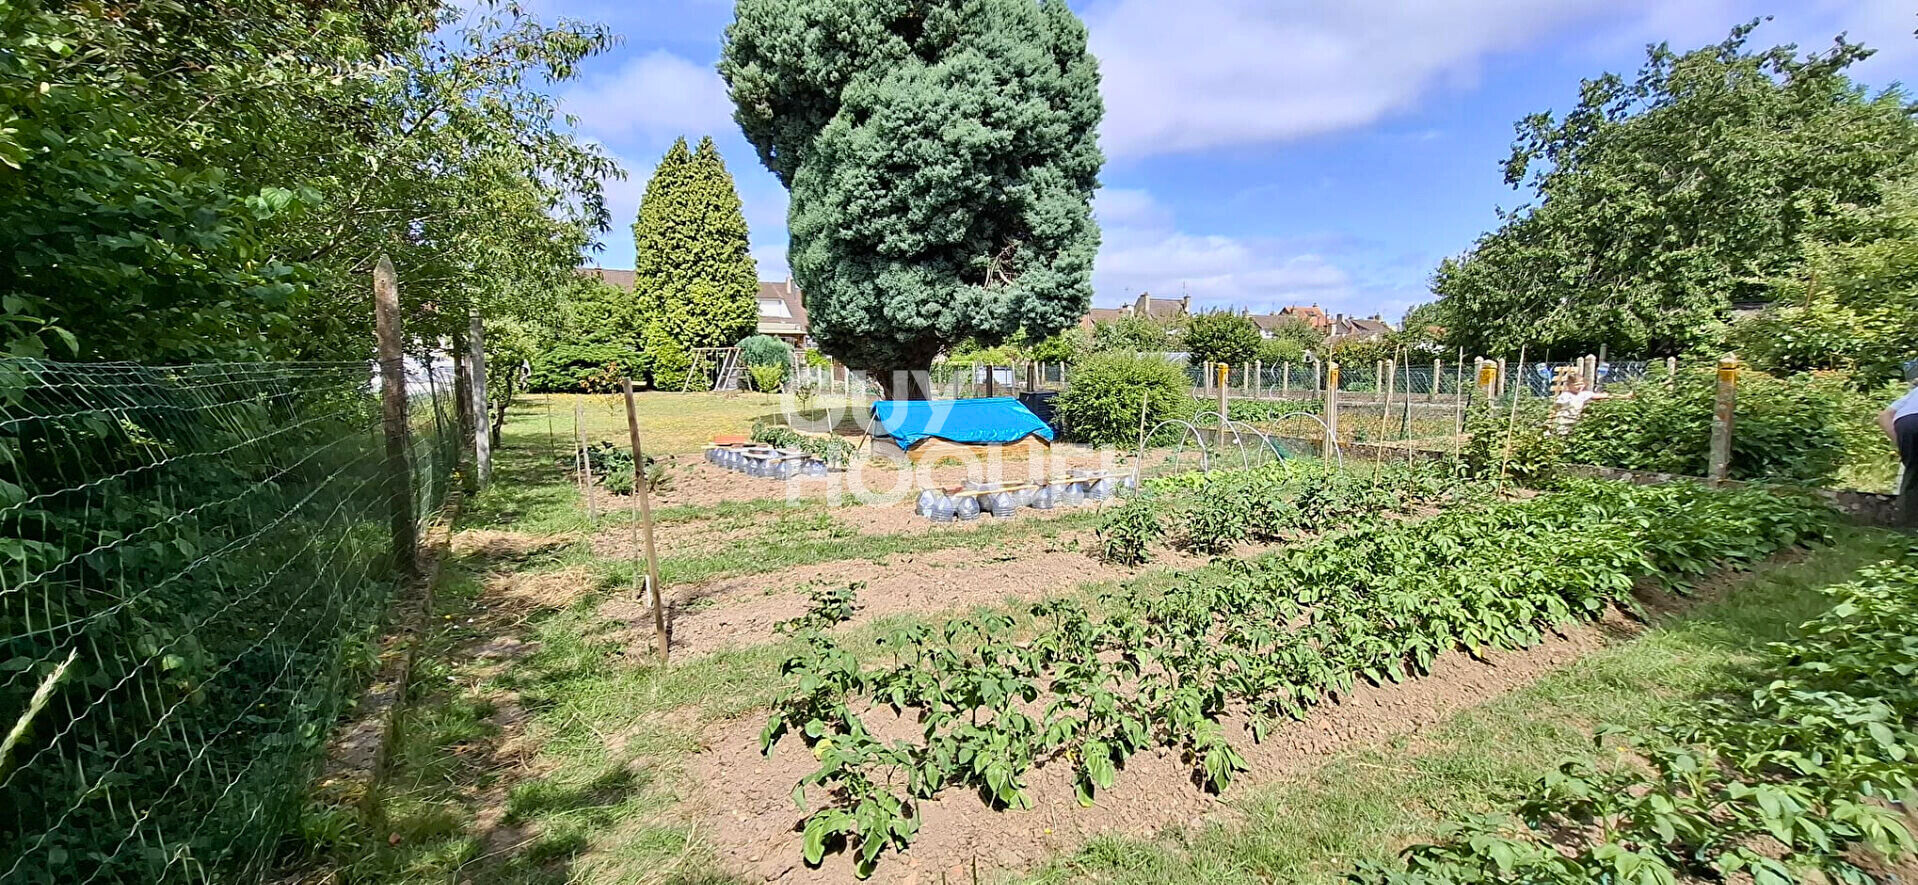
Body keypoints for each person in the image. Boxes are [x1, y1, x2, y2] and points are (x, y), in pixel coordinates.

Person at [1879, 359, 1918, 525]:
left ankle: (1907, 526)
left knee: (1913, 474)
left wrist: (1900, 443)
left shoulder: (1912, 395)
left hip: (1906, 422)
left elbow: (1883, 417)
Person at [1549, 369, 1613, 434]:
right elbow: (1557, 406)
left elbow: (1598, 395)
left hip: (1576, 418)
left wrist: (1608, 395)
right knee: (1562, 431)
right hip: (1565, 418)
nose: (1579, 387)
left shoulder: (1584, 394)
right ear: (1569, 386)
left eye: (1581, 384)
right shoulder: (1566, 395)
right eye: (1576, 385)